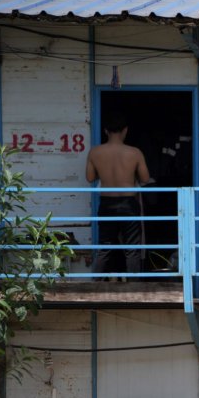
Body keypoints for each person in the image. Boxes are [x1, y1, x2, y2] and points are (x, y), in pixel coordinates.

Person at [86, 113, 151, 276]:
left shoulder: (95, 152)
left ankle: (94, 287)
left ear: (106, 131)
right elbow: (145, 178)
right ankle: (134, 289)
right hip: (128, 203)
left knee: (104, 248)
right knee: (132, 249)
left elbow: (90, 178)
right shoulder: (135, 153)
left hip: (107, 202)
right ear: (125, 131)